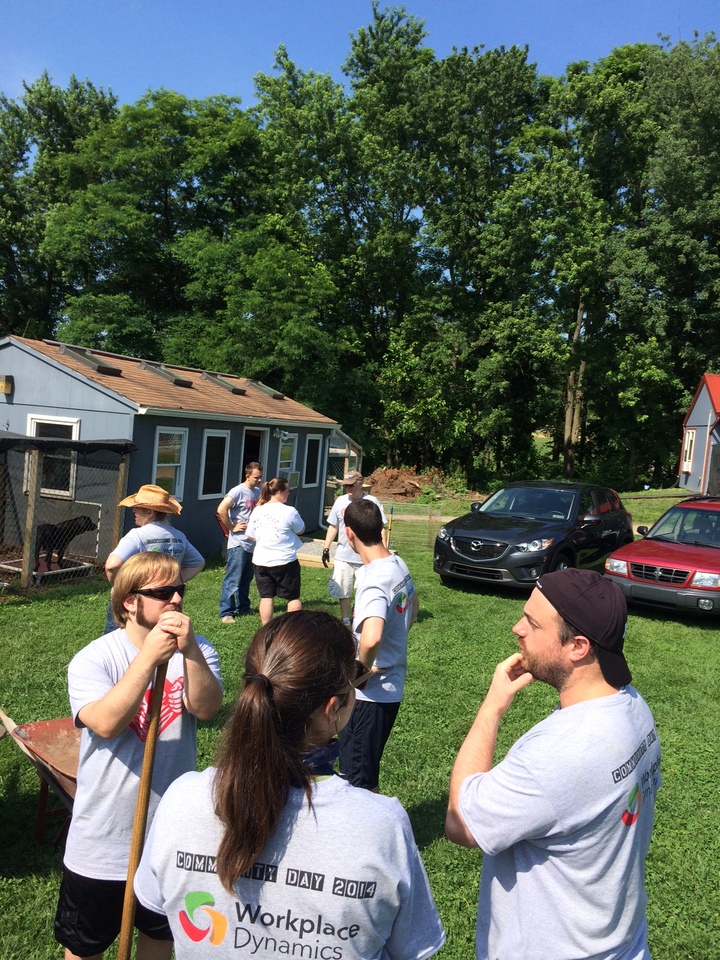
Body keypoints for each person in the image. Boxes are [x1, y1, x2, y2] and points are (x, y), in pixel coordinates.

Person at [134, 610, 446, 960]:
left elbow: (153, 905)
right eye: (354, 684)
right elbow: (413, 947)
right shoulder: (381, 825)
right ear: (333, 708)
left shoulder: (181, 800)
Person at [445, 568, 661, 960]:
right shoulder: (634, 707)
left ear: (578, 646)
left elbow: (461, 822)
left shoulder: (557, 755)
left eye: (531, 622)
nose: (517, 629)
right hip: (619, 944)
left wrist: (492, 707)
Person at [55, 552, 223, 960]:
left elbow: (207, 708)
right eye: (163, 592)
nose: (177, 600)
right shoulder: (95, 658)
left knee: (159, 939)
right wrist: (149, 657)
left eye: (179, 590)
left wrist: (190, 655)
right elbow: (107, 723)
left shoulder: (197, 650)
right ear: (130, 601)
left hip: (167, 833)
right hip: (103, 839)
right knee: (84, 947)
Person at [338, 498, 418, 792]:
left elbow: (371, 637)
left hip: (370, 697)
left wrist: (359, 675)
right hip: (391, 686)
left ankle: (366, 832)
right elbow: (414, 606)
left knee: (357, 780)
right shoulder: (397, 564)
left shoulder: (374, 580)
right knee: (365, 770)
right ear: (381, 528)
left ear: (349, 534)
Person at [104, 484, 204, 633]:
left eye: (137, 506)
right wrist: (173, 582)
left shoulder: (137, 535)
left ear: (149, 512)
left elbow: (112, 565)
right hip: (166, 601)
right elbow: (198, 562)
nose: (133, 510)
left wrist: (122, 587)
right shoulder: (178, 536)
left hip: (135, 602)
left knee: (120, 645)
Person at [321, 470, 387, 625]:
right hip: (344, 555)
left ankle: (360, 616)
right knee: (343, 589)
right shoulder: (340, 501)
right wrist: (326, 548)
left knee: (365, 590)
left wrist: (384, 551)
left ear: (360, 483)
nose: (348, 488)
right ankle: (345, 619)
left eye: (351, 485)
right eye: (345, 486)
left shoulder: (372, 501)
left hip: (367, 556)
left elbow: (381, 528)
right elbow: (333, 526)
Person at [245, 477, 305, 625]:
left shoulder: (257, 510)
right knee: (293, 597)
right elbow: (301, 530)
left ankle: (266, 630)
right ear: (280, 492)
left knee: (266, 597)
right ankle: (292, 630)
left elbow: (251, 535)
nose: (289, 494)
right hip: (285, 560)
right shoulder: (289, 511)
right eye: (287, 491)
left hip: (261, 560)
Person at [217, 462, 263, 623]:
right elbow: (221, 509)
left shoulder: (257, 492)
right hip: (238, 543)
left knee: (246, 577)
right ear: (247, 475)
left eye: (260, 478)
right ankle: (226, 612)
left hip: (252, 543)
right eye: (256, 477)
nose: (259, 480)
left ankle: (243, 606)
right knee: (233, 578)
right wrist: (232, 527)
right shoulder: (237, 491)